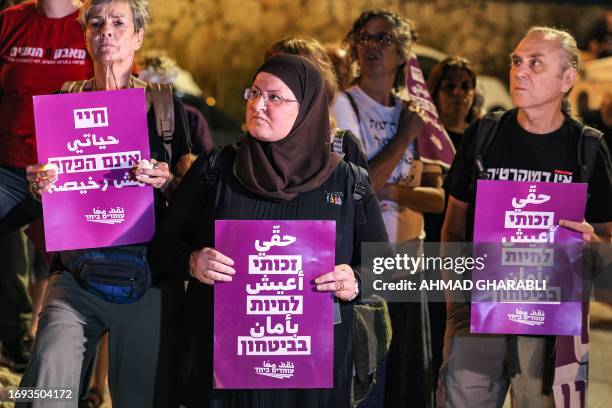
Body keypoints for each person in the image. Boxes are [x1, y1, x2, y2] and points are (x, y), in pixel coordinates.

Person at [153, 54, 389, 407]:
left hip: (310, 380)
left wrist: (356, 280)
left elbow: (384, 267)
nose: (257, 104)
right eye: (253, 93)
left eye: (274, 97)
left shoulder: (347, 182)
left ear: (306, 109)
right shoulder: (215, 171)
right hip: (223, 379)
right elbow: (161, 249)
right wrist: (191, 261)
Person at [17, 0, 191, 406]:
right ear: (86, 37)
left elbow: (191, 194)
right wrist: (40, 184)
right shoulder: (64, 99)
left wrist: (167, 184)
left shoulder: (164, 106)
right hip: (77, 274)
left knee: (141, 397)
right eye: (95, 23)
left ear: (138, 37)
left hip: (148, 276)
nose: (106, 31)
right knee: (44, 390)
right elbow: (59, 186)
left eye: (117, 22)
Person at [439, 26, 612, 407]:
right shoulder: (484, 135)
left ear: (567, 79)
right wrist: (456, 304)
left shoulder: (586, 149)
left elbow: (605, 242)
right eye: (517, 60)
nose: (520, 71)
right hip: (477, 313)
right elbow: (453, 224)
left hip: (550, 322)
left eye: (536, 63)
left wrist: (591, 244)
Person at [332, 9, 443, 407]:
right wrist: (401, 140)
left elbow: (438, 195)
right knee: (371, 366)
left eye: (383, 39)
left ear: (402, 54)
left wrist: (392, 191)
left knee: (409, 373)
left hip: (411, 255)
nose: (371, 46)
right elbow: (358, 186)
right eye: (363, 37)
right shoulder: (344, 104)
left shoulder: (413, 111)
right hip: (369, 255)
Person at [0, 0, 93, 372]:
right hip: (9, 167)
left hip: (69, 174)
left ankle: (68, 373)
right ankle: (14, 339)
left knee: (80, 272)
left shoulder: (90, 22)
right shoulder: (10, 21)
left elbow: (117, 91)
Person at [264, 36, 369, 172]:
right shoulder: (257, 144)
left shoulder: (343, 146)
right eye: (273, 73)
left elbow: (361, 190)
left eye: (294, 75)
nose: (280, 83)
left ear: (320, 82)